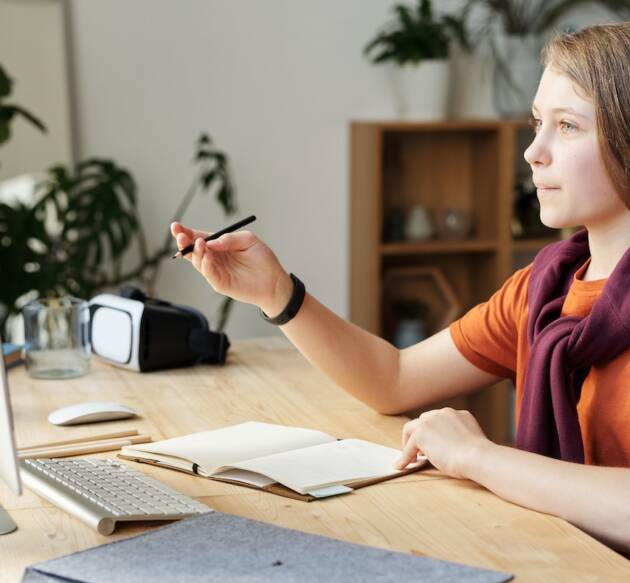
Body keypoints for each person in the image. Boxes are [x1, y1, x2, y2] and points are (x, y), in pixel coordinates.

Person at [171, 23, 630, 553]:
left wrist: (479, 457)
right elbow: (394, 379)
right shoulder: (542, 291)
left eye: (568, 126)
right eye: (536, 123)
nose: (532, 152)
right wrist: (277, 293)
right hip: (561, 568)